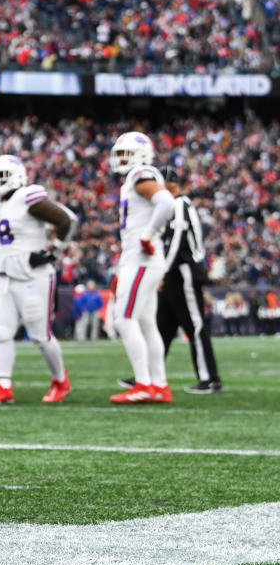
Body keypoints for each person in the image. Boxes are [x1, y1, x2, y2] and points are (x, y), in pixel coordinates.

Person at [0, 155, 77, 404]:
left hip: (33, 276)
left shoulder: (28, 196)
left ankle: (60, 380)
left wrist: (51, 252)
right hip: (3, 274)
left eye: (3, 177)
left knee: (40, 335)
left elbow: (67, 220)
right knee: (0, 331)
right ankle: (4, 386)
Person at [120, 166, 222, 394]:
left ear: (170, 185)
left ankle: (210, 378)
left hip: (182, 271)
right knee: (162, 326)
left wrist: (162, 272)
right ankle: (146, 377)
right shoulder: (171, 205)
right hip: (171, 272)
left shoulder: (179, 204)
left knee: (194, 325)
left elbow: (176, 241)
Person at [106, 132, 176, 404]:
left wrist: (147, 234)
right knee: (146, 323)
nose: (121, 160)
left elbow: (166, 202)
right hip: (143, 260)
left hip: (141, 259)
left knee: (123, 319)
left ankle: (144, 384)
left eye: (126, 154)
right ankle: (159, 385)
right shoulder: (134, 178)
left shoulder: (140, 174)